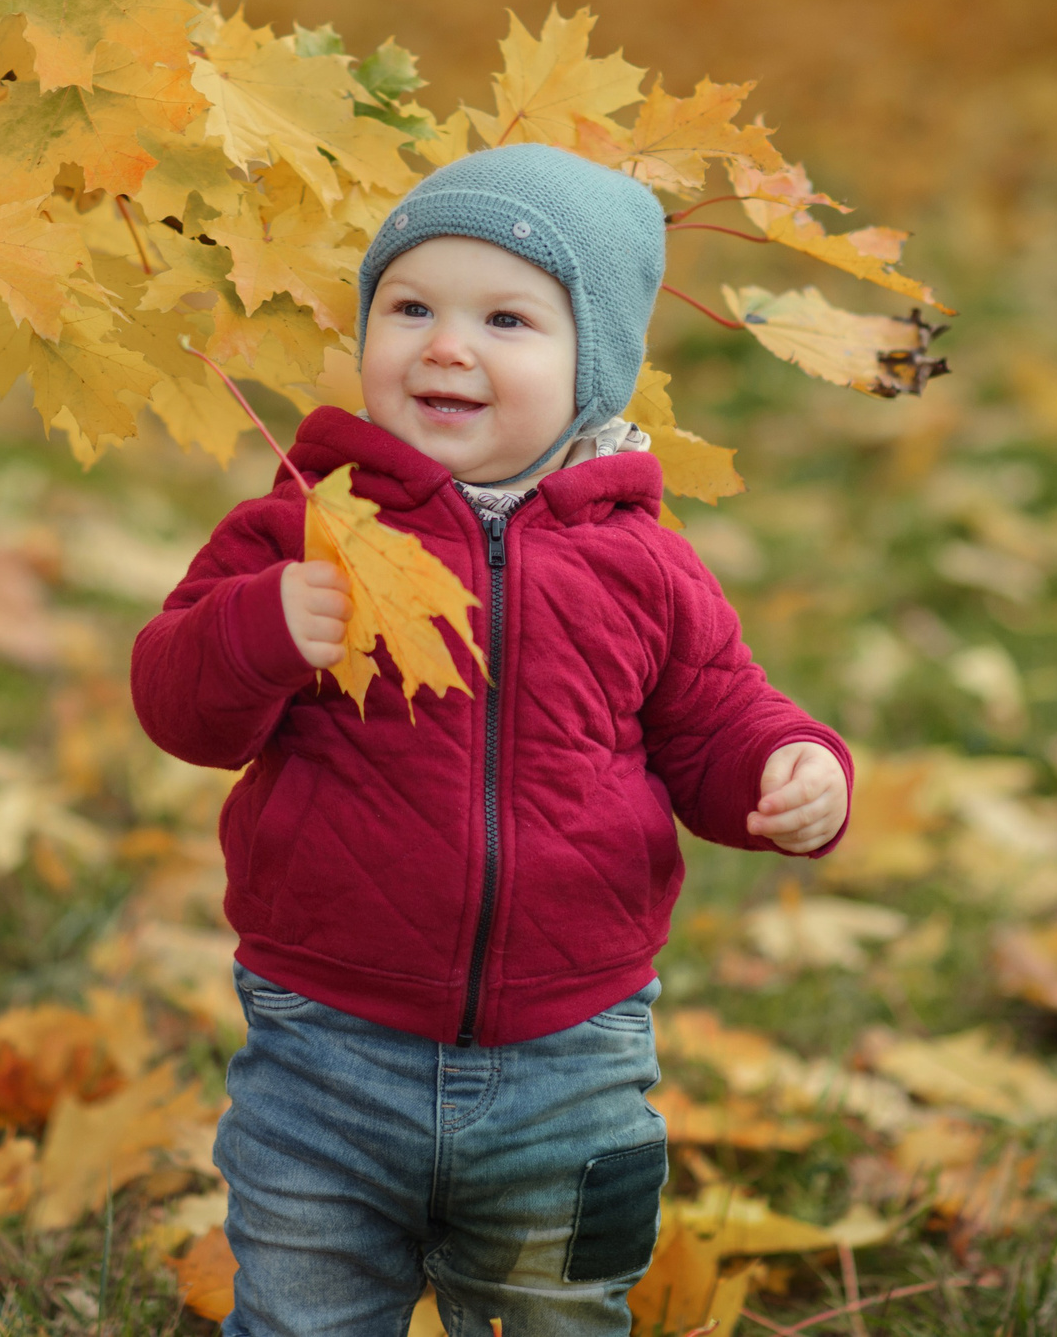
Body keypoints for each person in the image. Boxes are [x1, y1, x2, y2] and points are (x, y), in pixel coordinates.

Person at [130, 145, 854, 1334]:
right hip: (326, 1049)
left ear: (592, 369)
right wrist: (261, 628)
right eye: (409, 307)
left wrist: (793, 767)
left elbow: (717, 709)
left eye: (505, 318)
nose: (446, 345)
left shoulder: (643, 561)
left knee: (556, 1309)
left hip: (573, 1058)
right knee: (306, 1310)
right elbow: (175, 701)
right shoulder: (311, 526)